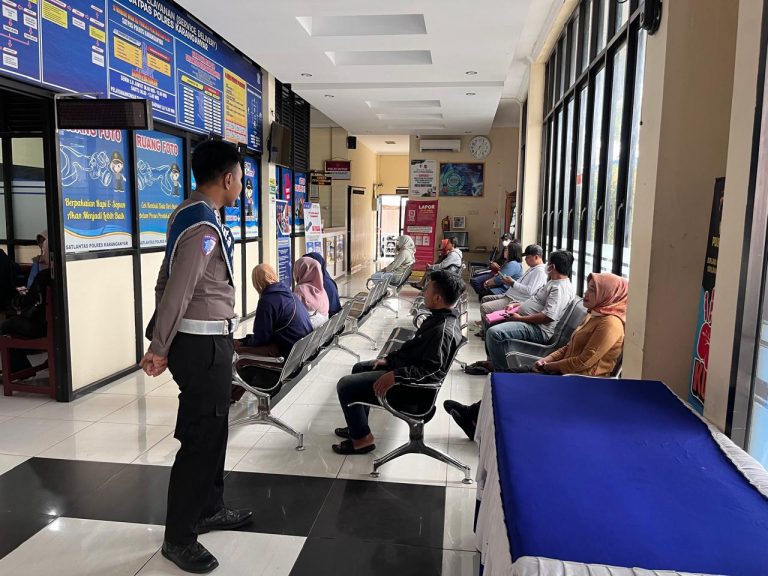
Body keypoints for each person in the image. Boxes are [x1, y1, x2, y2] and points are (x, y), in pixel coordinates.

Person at [140, 139, 252, 574]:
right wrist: (160, 345)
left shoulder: (188, 213)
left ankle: (210, 507)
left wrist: (163, 336)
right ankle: (179, 538)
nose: (241, 186)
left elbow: (164, 279)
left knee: (216, 429)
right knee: (201, 439)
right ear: (227, 178)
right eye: (241, 178)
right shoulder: (203, 226)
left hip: (208, 342)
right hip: (201, 345)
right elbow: (179, 288)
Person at [446, 272, 628, 440]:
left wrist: (550, 366)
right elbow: (567, 347)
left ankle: (473, 417)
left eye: (593, 290)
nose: (586, 293)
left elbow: (584, 361)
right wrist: (546, 360)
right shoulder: (594, 316)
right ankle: (474, 416)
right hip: (565, 371)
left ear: (608, 294)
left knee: (515, 382)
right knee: (506, 377)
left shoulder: (610, 324)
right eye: (588, 288)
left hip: (581, 380)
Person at [332, 270, 465, 454]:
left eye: (427, 289)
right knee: (360, 367)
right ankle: (358, 427)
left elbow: (432, 370)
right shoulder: (440, 318)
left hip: (413, 391)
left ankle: (362, 440)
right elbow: (413, 349)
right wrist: (388, 360)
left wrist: (395, 376)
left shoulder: (441, 331)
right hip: (407, 376)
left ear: (437, 298)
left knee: (345, 386)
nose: (423, 292)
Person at [468, 250, 576, 374]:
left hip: (538, 329)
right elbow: (537, 301)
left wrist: (519, 318)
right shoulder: (553, 282)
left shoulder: (559, 288)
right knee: (490, 322)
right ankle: (493, 362)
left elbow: (547, 317)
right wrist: (518, 305)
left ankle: (502, 371)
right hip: (528, 320)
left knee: (494, 333)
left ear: (552, 266)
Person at [233, 263, 313, 401]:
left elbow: (261, 338)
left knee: (237, 355)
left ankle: (229, 396)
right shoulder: (288, 293)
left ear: (256, 282)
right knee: (240, 346)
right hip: (300, 350)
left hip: (286, 354)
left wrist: (243, 342)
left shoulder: (267, 300)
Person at [476, 244, 548, 325]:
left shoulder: (539, 271)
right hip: (509, 295)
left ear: (536, 257)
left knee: (484, 307)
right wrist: (510, 282)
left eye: (527, 257)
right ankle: (485, 323)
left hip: (515, 299)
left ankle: (486, 329)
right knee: (484, 299)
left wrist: (512, 283)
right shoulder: (533, 269)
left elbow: (530, 291)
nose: (525, 259)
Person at [293, 256, 330, 329]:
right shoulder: (321, 290)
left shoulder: (300, 290)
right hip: (322, 328)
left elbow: (293, 313)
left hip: (309, 330)